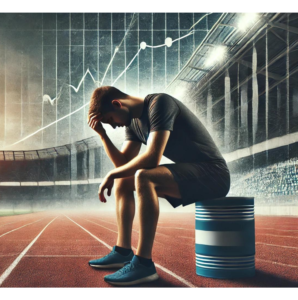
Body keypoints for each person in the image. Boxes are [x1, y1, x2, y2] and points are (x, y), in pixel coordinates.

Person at [87, 86, 230, 286]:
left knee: (145, 177)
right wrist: (102, 135)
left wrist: (111, 174)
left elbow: (153, 157)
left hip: (214, 174)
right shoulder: (133, 123)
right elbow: (123, 165)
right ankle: (123, 251)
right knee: (123, 181)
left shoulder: (159, 103)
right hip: (191, 173)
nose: (113, 126)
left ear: (117, 104)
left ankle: (144, 264)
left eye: (110, 121)